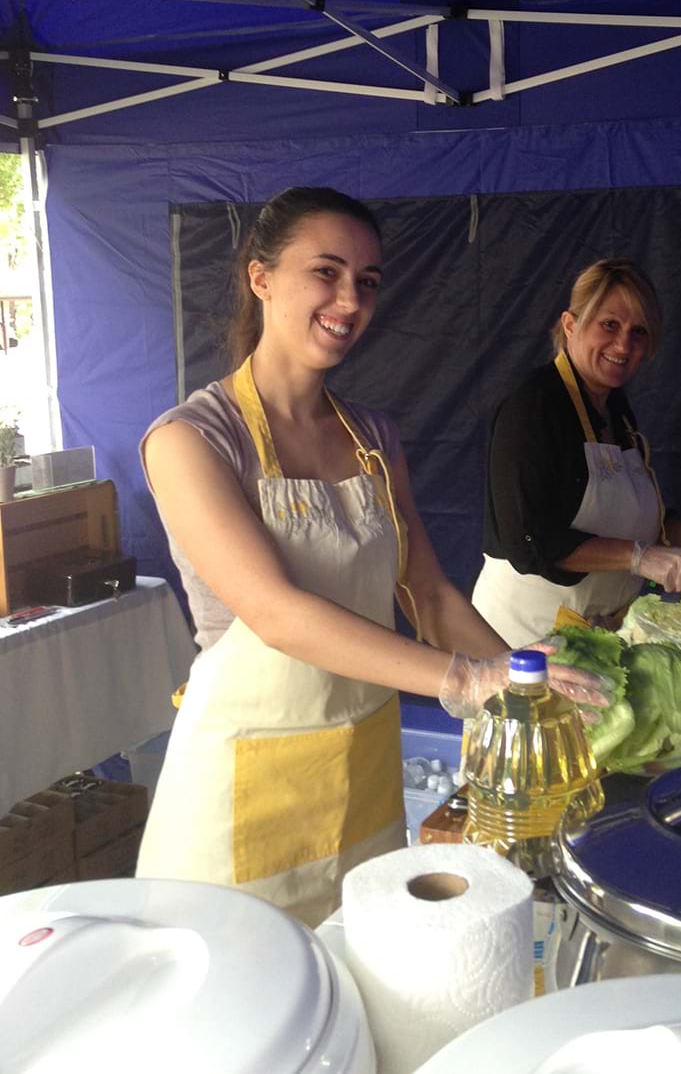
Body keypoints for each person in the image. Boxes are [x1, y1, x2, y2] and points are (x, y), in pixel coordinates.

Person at [135, 187, 607, 926]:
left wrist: (522, 678)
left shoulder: (373, 438)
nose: (350, 300)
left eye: (368, 280)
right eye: (325, 272)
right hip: (236, 795)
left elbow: (430, 594)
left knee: (360, 968)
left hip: (361, 777)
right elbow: (275, 613)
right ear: (262, 279)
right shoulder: (192, 439)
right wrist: (466, 678)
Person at [472, 257, 681, 648]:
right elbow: (530, 541)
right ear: (571, 325)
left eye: (638, 331)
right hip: (523, 639)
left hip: (598, 636)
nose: (624, 345)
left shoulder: (616, 412)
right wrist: (641, 558)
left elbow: (639, 524)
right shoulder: (532, 407)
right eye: (609, 324)